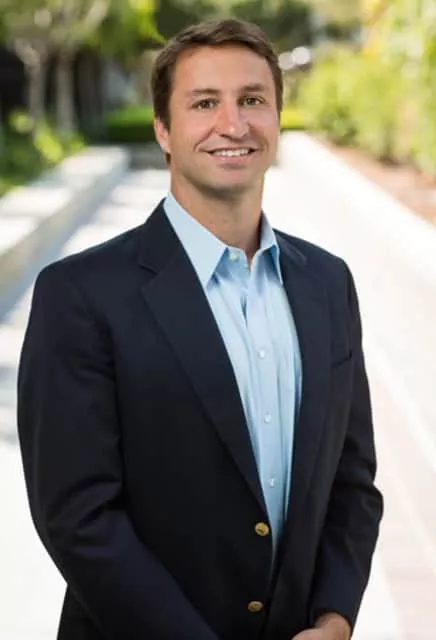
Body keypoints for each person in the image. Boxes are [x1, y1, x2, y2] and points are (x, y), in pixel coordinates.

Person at [17, 18, 383, 640]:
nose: (233, 125)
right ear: (163, 128)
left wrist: (335, 618)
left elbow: (352, 482)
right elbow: (78, 518)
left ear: (277, 117)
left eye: (253, 100)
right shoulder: (79, 295)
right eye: (205, 103)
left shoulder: (327, 282)